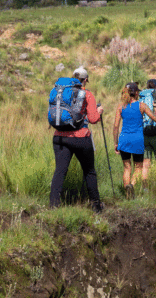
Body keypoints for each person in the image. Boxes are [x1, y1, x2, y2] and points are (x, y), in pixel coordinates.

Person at [49, 66, 104, 213]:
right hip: (80, 138)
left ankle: (53, 207)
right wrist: (99, 112)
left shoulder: (60, 92)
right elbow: (93, 119)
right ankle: (96, 206)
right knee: (89, 171)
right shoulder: (87, 94)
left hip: (59, 137)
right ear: (85, 80)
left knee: (60, 171)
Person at [113, 82, 156, 199]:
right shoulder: (142, 105)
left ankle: (126, 193)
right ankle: (132, 185)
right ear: (137, 93)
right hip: (137, 140)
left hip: (124, 139)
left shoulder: (121, 107)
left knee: (127, 167)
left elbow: (115, 126)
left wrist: (115, 142)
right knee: (138, 167)